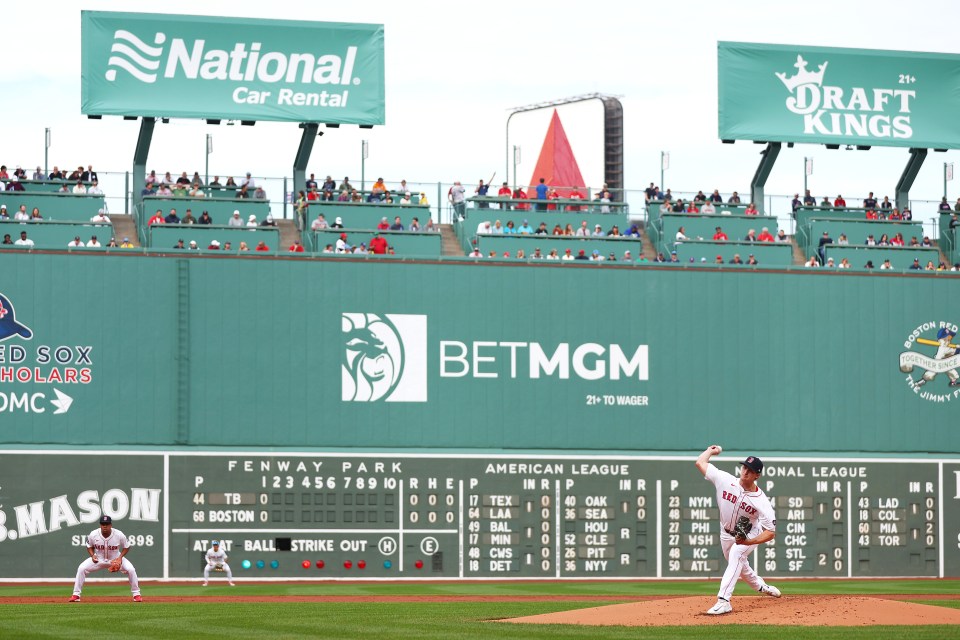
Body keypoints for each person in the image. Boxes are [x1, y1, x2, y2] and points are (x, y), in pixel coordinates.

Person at [695, 446, 780, 615]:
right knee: (739, 564)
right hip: (725, 532)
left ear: (757, 475)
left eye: (751, 470)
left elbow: (771, 532)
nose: (746, 472)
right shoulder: (725, 480)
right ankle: (761, 586)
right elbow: (700, 462)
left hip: (748, 534)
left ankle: (724, 601)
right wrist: (710, 451)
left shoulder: (761, 501)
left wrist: (749, 541)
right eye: (744, 467)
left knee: (737, 555)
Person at [70, 515, 142, 602]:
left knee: (131, 569)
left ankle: (136, 594)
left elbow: (126, 546)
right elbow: (89, 546)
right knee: (81, 568)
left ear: (111, 525)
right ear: (100, 525)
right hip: (98, 559)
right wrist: (92, 555)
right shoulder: (93, 534)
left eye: (107, 524)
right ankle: (76, 595)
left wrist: (120, 558)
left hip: (115, 559)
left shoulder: (119, 534)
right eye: (103, 524)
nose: (105, 526)